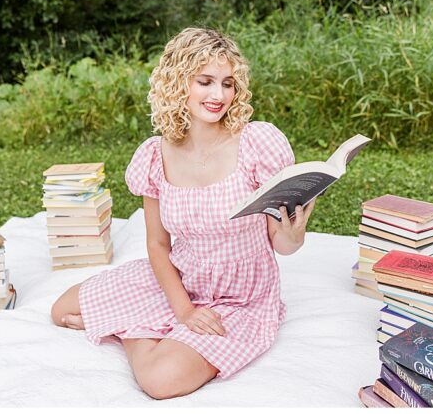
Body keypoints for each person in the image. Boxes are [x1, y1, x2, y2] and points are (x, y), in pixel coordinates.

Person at [50, 27, 314, 400]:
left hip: (240, 300)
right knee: (61, 310)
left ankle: (131, 332)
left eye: (228, 83)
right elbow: (158, 245)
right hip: (180, 283)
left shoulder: (257, 143)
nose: (218, 95)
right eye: (205, 81)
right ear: (178, 83)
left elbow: (281, 246)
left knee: (160, 381)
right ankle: (145, 326)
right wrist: (184, 311)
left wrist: (295, 233)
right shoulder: (155, 155)